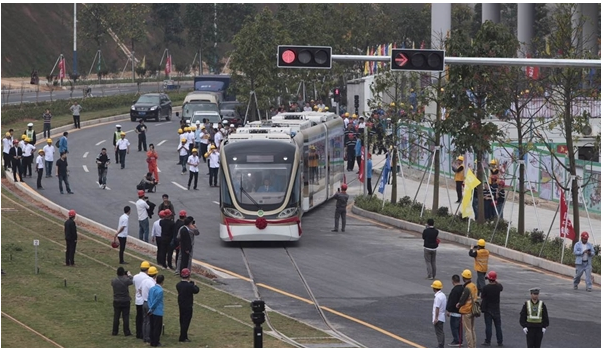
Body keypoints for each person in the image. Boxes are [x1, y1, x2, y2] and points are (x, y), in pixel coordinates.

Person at [176, 268, 199, 342]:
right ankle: (183, 337)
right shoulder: (189, 286)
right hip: (188, 305)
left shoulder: (178, 285)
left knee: (182, 320)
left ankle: (184, 335)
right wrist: (194, 285)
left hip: (181, 304)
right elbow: (196, 290)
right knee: (186, 321)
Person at [456, 269, 478, 348]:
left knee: (468, 330)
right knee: (472, 329)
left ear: (464, 278)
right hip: (473, 310)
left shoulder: (467, 288)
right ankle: (473, 345)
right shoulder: (473, 285)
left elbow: (462, 300)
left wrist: (458, 304)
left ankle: (470, 346)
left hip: (466, 311)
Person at [481, 270, 503, 346]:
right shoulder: (498, 287)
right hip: (496, 309)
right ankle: (499, 341)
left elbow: (482, 296)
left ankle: (488, 341)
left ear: (489, 279)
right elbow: (500, 287)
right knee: (498, 326)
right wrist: (495, 281)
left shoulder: (486, 288)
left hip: (488, 309)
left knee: (488, 326)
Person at [111, 267, 133, 336]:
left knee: (116, 316)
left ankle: (115, 331)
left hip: (116, 300)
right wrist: (129, 275)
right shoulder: (126, 280)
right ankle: (126, 332)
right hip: (125, 300)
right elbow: (132, 280)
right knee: (125, 317)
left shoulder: (113, 281)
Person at [133, 261, 151, 340]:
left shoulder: (135, 277)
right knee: (145, 319)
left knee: (138, 317)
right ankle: (144, 334)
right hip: (144, 300)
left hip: (137, 300)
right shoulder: (147, 278)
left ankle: (138, 333)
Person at [141, 266, 158, 344]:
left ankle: (144, 336)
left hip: (144, 302)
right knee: (149, 321)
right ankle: (148, 337)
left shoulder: (144, 281)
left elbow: (140, 289)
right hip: (149, 303)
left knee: (145, 320)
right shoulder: (152, 283)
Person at [446, 274, 464, 346]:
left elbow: (452, 301)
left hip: (455, 312)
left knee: (454, 327)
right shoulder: (463, 288)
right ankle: (460, 340)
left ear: (453, 281)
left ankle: (456, 340)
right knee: (460, 328)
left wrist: (448, 310)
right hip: (462, 312)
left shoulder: (454, 290)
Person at [148, 274, 165, 347]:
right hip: (157, 311)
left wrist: (150, 308)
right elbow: (156, 301)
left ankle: (152, 341)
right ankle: (156, 342)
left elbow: (149, 298)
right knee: (157, 328)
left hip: (151, 311)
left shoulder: (152, 288)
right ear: (162, 282)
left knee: (152, 326)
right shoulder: (160, 291)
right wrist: (152, 308)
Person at [431, 280, 447, 348]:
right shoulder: (443, 295)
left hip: (438, 317)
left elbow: (437, 308)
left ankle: (440, 345)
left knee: (439, 333)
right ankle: (441, 344)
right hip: (442, 316)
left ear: (434, 288)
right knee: (441, 332)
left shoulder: (437, 297)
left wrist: (436, 318)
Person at [172, 210, 187, 275]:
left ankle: (177, 266)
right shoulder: (183, 225)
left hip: (175, 240)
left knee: (177, 254)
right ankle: (180, 268)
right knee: (181, 256)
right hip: (180, 242)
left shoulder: (177, 222)